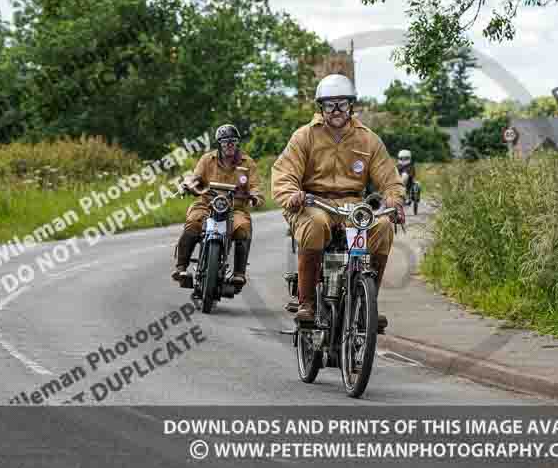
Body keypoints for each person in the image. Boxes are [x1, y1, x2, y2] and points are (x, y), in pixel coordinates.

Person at [271, 74, 405, 326]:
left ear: (351, 105)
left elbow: (389, 177)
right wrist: (292, 194)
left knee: (383, 226)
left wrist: (393, 200)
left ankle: (367, 302)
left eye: (341, 104)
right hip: (312, 202)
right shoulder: (304, 136)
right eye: (329, 104)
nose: (336, 110)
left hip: (353, 206)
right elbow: (284, 172)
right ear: (321, 107)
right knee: (315, 224)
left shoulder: (368, 139)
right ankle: (307, 302)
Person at [172, 124, 263, 292]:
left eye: (233, 141)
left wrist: (256, 197)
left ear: (237, 144)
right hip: (207, 204)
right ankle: (181, 268)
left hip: (235, 208)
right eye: (225, 141)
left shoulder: (247, 163)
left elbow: (256, 186)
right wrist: (188, 185)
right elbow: (195, 177)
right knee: (193, 222)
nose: (229, 145)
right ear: (219, 144)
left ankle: (238, 274)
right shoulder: (208, 159)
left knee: (243, 228)